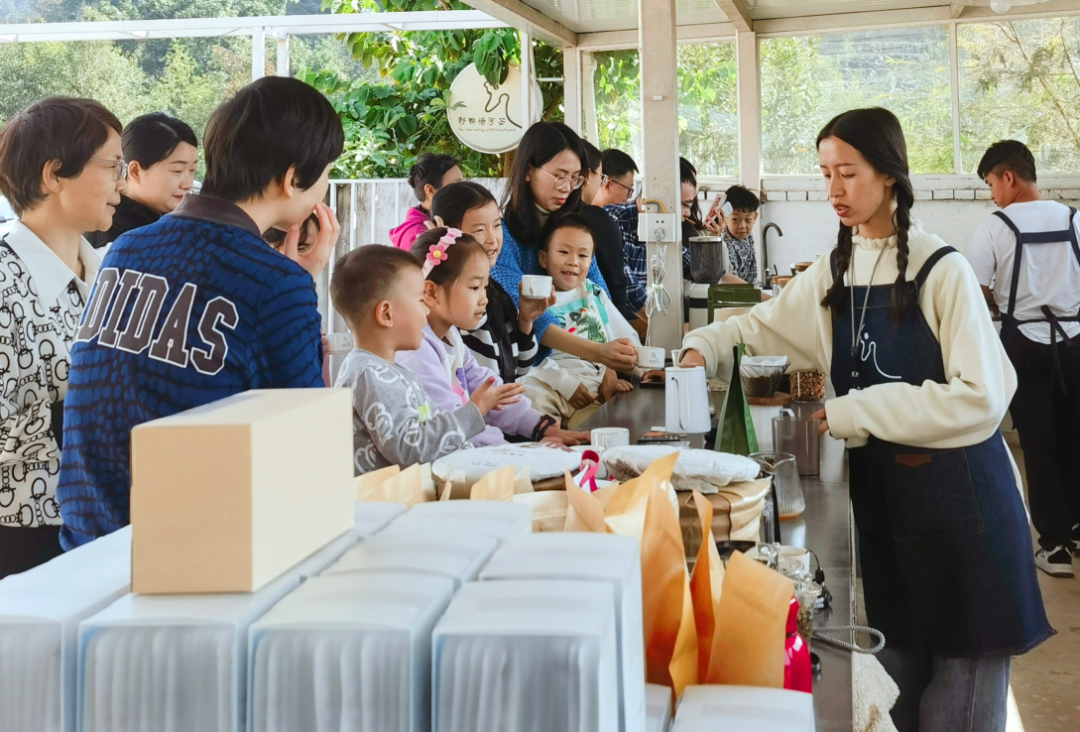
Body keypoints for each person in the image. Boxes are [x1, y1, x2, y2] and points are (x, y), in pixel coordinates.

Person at [679, 108, 1049, 732]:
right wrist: (704, 344)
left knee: (962, 710)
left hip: (965, 519)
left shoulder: (942, 269)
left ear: (890, 177)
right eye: (825, 174)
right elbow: (763, 324)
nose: (833, 190)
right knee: (898, 699)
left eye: (847, 173)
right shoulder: (837, 270)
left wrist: (856, 409)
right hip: (891, 514)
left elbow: (983, 398)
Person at [56, 76, 344, 548]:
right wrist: (297, 285)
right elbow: (304, 448)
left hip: (87, 546)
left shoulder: (127, 248)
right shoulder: (275, 282)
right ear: (294, 178)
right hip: (189, 561)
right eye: (328, 170)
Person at [0, 97, 119, 577]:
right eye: (112, 166)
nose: (121, 182)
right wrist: (80, 412)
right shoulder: (5, 280)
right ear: (53, 175)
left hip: (104, 522)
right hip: (26, 533)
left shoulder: (112, 274)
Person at [967, 139, 1080, 577]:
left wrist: (1000, 305)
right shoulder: (1073, 219)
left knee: (1039, 443)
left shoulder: (995, 226)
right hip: (1075, 343)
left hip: (1025, 347)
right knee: (1074, 434)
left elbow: (975, 289)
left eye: (992, 184)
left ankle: (1054, 547)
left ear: (1008, 177)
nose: (993, 194)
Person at [397, 227, 587, 447]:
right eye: (475, 287)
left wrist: (542, 427)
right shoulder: (417, 350)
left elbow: (490, 391)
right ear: (430, 292)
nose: (484, 299)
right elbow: (450, 428)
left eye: (485, 287)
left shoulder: (450, 336)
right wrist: (513, 451)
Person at [331, 245, 493, 474]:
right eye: (420, 301)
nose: (427, 311)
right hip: (386, 504)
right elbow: (408, 447)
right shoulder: (371, 375)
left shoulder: (384, 370)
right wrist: (472, 413)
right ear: (386, 314)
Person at [493, 121, 636, 374]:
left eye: (575, 178)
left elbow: (599, 300)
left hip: (586, 369)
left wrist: (608, 370)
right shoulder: (502, 238)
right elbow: (531, 314)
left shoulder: (571, 230)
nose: (568, 188)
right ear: (528, 170)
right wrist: (600, 354)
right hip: (527, 375)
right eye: (559, 176)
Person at [523, 215, 639, 429]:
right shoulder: (536, 299)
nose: (573, 262)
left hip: (590, 391)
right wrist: (564, 384)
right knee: (530, 398)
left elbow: (625, 337)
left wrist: (645, 368)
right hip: (550, 384)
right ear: (543, 258)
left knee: (603, 427)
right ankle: (547, 445)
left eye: (583, 255)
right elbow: (528, 357)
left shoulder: (593, 293)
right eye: (564, 252)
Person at [430, 181, 544, 384]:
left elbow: (519, 370)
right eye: (479, 230)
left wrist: (525, 320)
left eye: (497, 225)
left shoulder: (497, 293)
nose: (493, 239)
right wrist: (448, 252)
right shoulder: (443, 297)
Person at [85, 112, 198, 249]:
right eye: (177, 171)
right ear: (135, 171)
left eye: (192, 170)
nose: (187, 184)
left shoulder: (178, 223)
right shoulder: (111, 235)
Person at [579, 140, 647, 326]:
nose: (629, 197)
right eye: (628, 190)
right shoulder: (602, 220)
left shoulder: (617, 217)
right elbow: (622, 285)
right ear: (607, 183)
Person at [389, 153, 462, 250]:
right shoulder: (418, 235)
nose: (464, 190)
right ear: (430, 190)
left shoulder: (441, 222)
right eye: (456, 185)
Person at [719, 185, 760, 284]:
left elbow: (752, 268)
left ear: (755, 218)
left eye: (748, 220)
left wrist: (754, 289)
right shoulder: (725, 243)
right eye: (735, 219)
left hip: (747, 291)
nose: (742, 226)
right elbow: (730, 278)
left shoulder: (748, 236)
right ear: (724, 217)